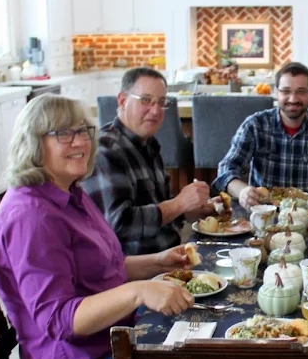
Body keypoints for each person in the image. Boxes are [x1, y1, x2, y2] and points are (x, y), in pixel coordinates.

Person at [0, 95, 196, 359]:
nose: (80, 142)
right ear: (33, 143)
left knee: (205, 349)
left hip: (110, 339)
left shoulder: (69, 192)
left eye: (83, 130)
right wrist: (138, 292)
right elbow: (59, 320)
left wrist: (158, 262)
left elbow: (102, 270)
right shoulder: (31, 216)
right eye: (63, 133)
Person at [82, 67, 216, 256]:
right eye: (145, 100)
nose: (155, 111)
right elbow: (120, 224)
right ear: (122, 100)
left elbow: (160, 210)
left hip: (170, 258)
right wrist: (179, 203)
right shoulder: (105, 150)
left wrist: (189, 211)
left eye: (161, 102)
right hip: (137, 273)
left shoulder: (148, 144)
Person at [211, 61, 308, 210]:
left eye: (301, 91)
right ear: (276, 92)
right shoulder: (255, 125)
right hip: (262, 211)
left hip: (307, 214)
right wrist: (243, 191)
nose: (293, 99)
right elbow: (226, 168)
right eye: (286, 91)